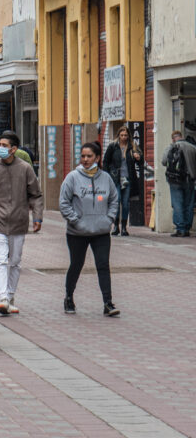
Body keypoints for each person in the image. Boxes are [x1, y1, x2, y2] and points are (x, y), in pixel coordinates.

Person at [0, 130, 43, 315]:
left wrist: (37, 217)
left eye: (4, 146)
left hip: (19, 221)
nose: (0, 148)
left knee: (15, 261)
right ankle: (3, 298)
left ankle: (10, 297)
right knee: (1, 260)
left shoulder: (25, 168)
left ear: (14, 149)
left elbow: (36, 194)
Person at [59, 142, 121, 317]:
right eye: (83, 156)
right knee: (76, 265)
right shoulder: (72, 177)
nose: (85, 160)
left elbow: (114, 200)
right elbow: (63, 202)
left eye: (89, 156)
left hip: (101, 232)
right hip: (77, 232)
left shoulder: (106, 178)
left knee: (103, 265)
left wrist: (109, 218)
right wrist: (74, 220)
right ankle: (69, 297)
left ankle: (108, 303)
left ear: (98, 158)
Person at [103, 126, 142, 236]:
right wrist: (107, 175)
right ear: (118, 135)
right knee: (117, 200)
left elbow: (141, 162)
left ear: (128, 136)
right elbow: (105, 161)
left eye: (125, 135)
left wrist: (138, 157)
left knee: (125, 203)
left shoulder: (132, 147)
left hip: (128, 178)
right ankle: (116, 226)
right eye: (122, 135)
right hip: (116, 178)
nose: (124, 137)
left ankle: (124, 227)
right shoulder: (113, 146)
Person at [161, 130, 196, 236]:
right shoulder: (192, 148)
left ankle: (180, 228)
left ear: (173, 138)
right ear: (182, 137)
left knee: (177, 203)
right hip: (189, 179)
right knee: (189, 204)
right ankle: (186, 228)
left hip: (174, 180)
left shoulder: (170, 147)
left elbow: (163, 161)